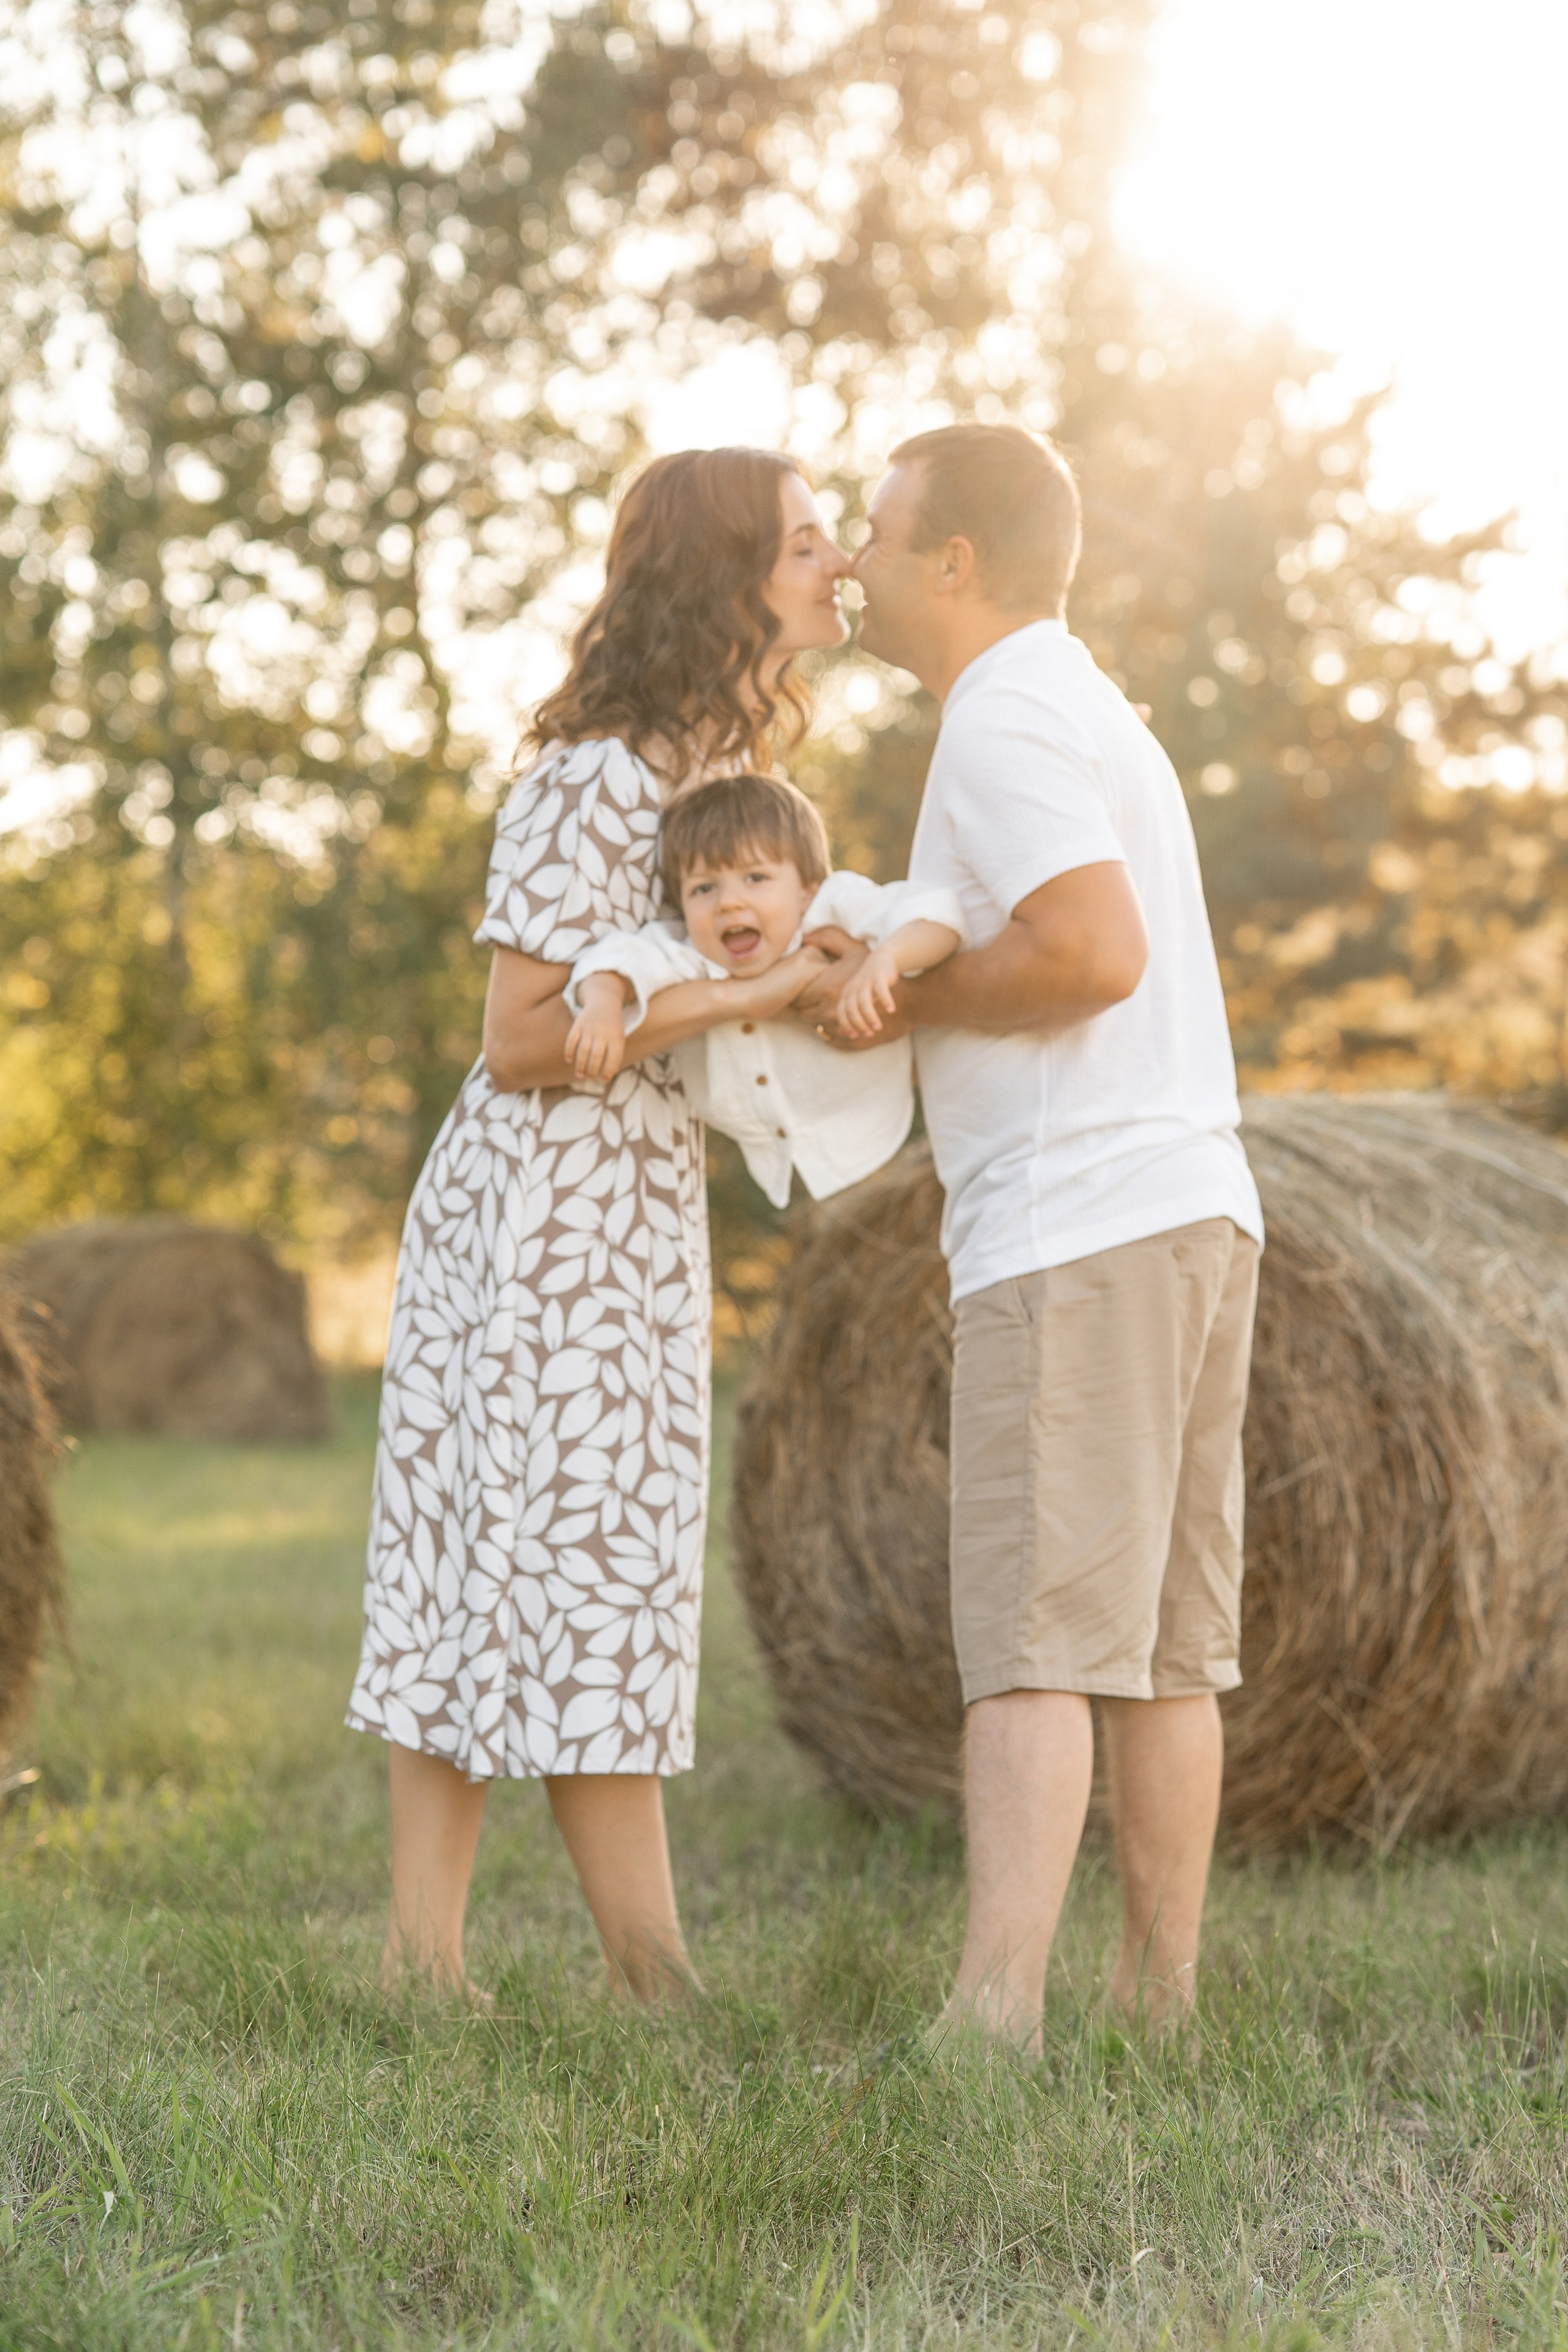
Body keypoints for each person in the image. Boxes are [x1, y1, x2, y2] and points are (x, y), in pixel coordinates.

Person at [346, 446, 849, 2003]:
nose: (835, 560)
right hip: (536, 1228)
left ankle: (625, 1970)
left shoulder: (708, 782)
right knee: (507, 1571)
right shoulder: (595, 774)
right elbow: (514, 1036)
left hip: (625, 1220)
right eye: (807, 538)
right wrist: (759, 987)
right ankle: (457, 1965)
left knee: (603, 1582)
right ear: (730, 575)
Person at [799, 421, 1265, 2052]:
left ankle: (991, 2021)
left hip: (1079, 1227)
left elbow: (1093, 953)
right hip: (1188, 1207)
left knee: (1033, 1644)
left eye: (871, 530)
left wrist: (903, 1004)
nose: (846, 559)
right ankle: (1160, 2013)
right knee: (1159, 1649)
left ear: (953, 563)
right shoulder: (1080, 704)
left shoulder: (1000, 717)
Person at [561, 771, 965, 1207]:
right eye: (704, 888)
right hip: (772, 1162)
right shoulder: (687, 950)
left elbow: (937, 916)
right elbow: (614, 959)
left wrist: (888, 957)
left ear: (808, 889)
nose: (729, 902)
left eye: (755, 878)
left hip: (872, 1120)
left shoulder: (830, 910)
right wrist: (602, 1005)